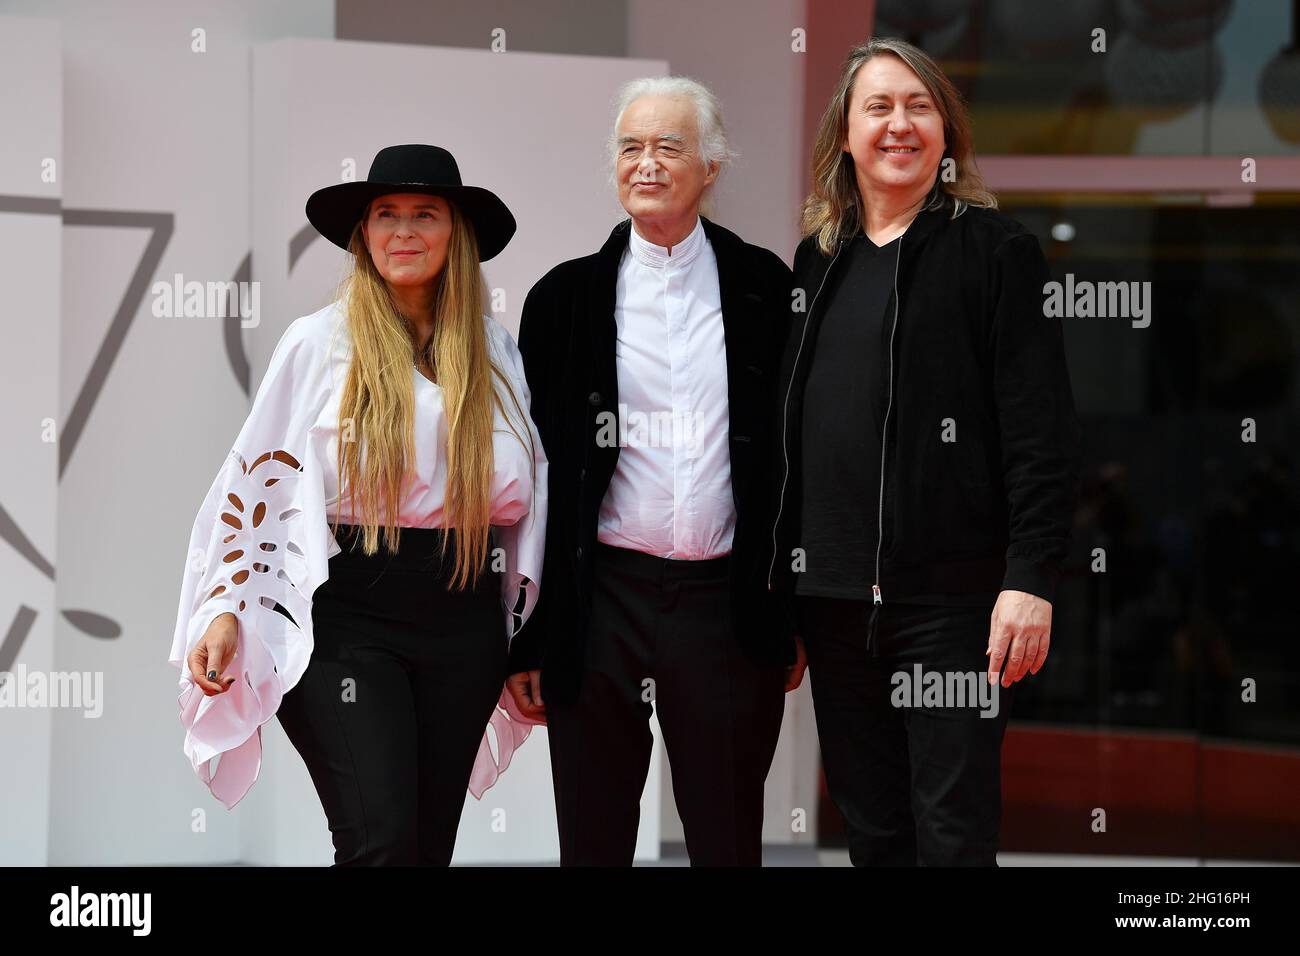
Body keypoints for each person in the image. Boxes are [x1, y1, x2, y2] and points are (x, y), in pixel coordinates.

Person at [168, 144, 547, 866]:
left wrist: (529, 632)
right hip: (345, 611)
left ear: (455, 234)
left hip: (462, 613)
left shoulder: (496, 352)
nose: (403, 231)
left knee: (427, 849)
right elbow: (255, 480)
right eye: (385, 216)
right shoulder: (318, 343)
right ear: (364, 235)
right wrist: (223, 607)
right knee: (379, 841)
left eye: (424, 215)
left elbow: (531, 496)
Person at [771, 39, 1083, 866]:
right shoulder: (817, 261)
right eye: (878, 107)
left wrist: (1029, 579)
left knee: (951, 833)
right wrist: (782, 591)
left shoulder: (995, 252)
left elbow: (1040, 435)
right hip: (833, 605)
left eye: (919, 106)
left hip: (954, 608)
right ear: (845, 134)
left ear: (947, 134)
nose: (899, 124)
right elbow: (791, 439)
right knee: (872, 833)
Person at [505, 77, 804, 866]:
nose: (646, 163)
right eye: (631, 147)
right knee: (594, 838)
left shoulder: (767, 288)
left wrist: (791, 610)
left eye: (669, 147)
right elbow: (534, 481)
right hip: (601, 598)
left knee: (728, 836)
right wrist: (529, 635)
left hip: (725, 603)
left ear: (711, 166)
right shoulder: (562, 300)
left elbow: (796, 456)